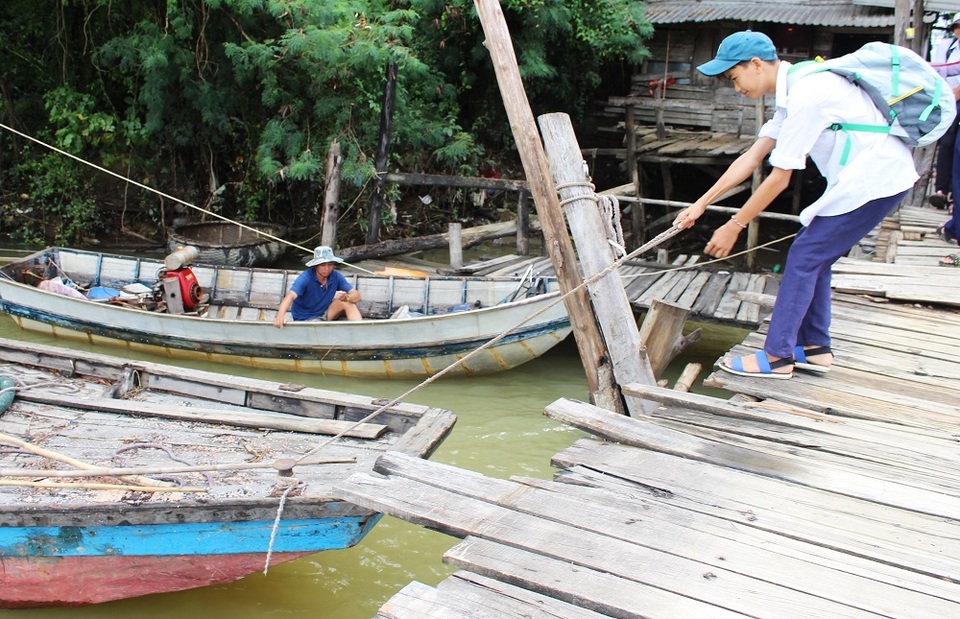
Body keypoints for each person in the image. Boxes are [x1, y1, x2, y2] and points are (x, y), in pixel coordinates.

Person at [673, 30, 918, 379]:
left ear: (755, 65)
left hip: (875, 181)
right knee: (813, 253)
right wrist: (700, 204)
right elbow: (752, 157)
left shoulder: (808, 94)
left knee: (805, 256)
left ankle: (777, 356)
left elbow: (779, 179)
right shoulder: (795, 91)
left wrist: (734, 225)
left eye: (734, 77)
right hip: (869, 181)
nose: (736, 88)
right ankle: (815, 347)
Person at [273, 246, 362, 328]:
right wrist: (280, 316)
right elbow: (290, 296)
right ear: (316, 266)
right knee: (317, 325)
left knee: (348, 303)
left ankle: (360, 330)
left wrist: (347, 297)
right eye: (323, 265)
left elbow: (357, 296)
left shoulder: (335, 276)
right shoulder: (306, 278)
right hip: (305, 319)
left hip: (324, 313)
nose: (327, 268)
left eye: (330, 264)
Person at [929, 13, 960, 210]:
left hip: (956, 95)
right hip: (949, 99)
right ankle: (941, 189)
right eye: (957, 26)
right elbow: (940, 70)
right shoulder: (947, 46)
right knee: (947, 143)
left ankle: (956, 197)